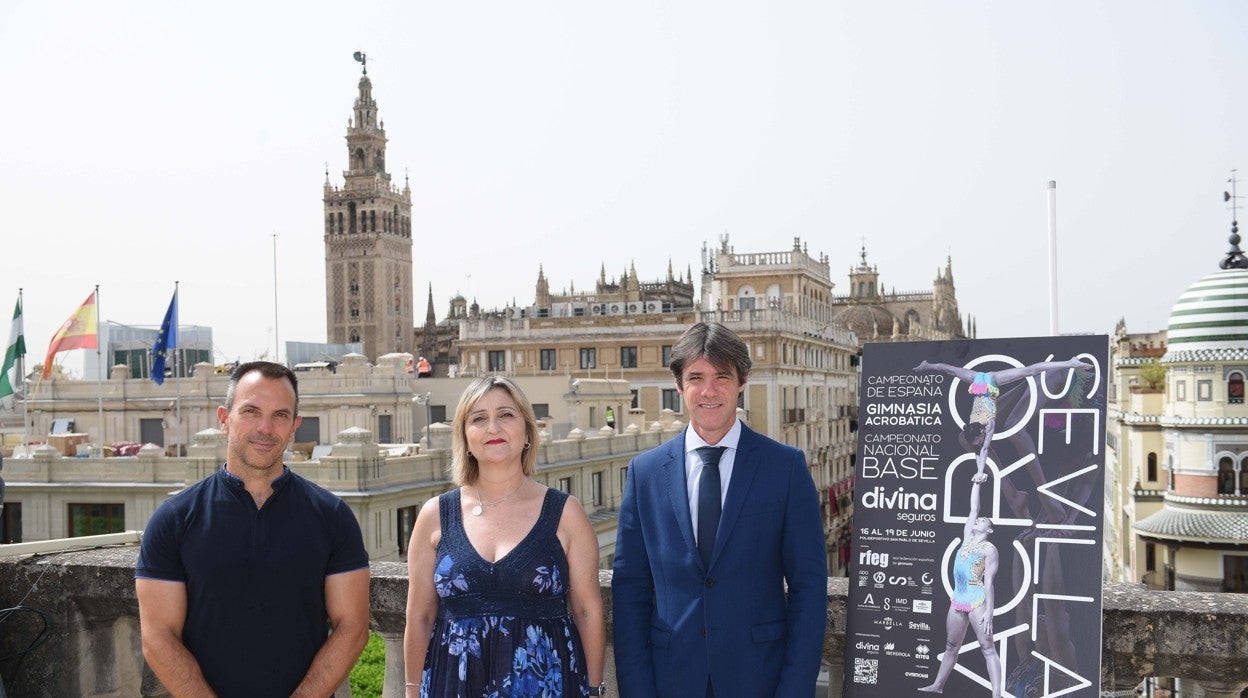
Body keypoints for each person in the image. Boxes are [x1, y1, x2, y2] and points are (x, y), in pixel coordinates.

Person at [612, 322, 827, 697]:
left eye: (722, 377)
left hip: (759, 680)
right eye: (695, 377)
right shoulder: (644, 473)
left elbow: (809, 589)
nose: (708, 391)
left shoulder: (785, 468)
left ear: (742, 382)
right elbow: (630, 592)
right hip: (671, 682)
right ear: (679, 385)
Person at [135, 361, 371, 697]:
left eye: (280, 415)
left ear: (294, 427)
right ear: (224, 419)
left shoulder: (332, 516)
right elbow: (158, 638)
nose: (265, 427)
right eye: (251, 411)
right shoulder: (174, 519)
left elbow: (353, 628)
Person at [404, 375, 606, 696]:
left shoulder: (566, 513)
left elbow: (586, 611)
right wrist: (412, 690)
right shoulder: (434, 516)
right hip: (453, 685)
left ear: (527, 431)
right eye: (479, 418)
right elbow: (419, 616)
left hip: (545, 685)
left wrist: (594, 690)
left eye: (506, 415)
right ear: (465, 437)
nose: (493, 428)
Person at [919, 472, 1002, 698]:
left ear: (990, 530)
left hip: (977, 600)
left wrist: (990, 612)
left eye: (984, 521)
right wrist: (976, 483)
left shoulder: (989, 549)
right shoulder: (967, 538)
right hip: (958, 598)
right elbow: (973, 509)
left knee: (987, 648)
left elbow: (989, 582)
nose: (978, 520)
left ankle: (997, 694)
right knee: (950, 646)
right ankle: (938, 685)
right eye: (978, 520)